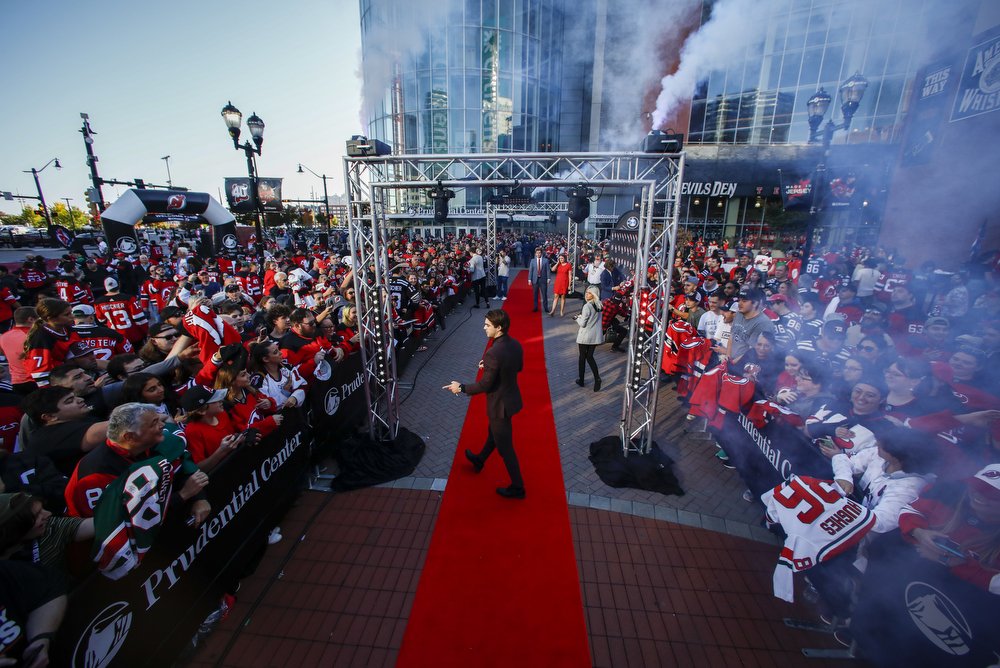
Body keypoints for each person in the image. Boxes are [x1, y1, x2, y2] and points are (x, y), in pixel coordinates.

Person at [444, 309, 526, 499]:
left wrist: (461, 388)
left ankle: (518, 487)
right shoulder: (515, 344)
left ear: (499, 328)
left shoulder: (493, 352)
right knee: (494, 435)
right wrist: (490, 367)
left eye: (488, 325)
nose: (484, 328)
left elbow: (484, 385)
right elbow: (518, 367)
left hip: (499, 406)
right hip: (510, 400)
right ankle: (480, 460)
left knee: (506, 449)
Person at [575, 285, 603, 391]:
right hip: (595, 337)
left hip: (585, 336)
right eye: (586, 292)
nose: (587, 294)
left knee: (582, 357)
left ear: (594, 294)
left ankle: (581, 380)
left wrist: (577, 318)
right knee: (590, 357)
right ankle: (597, 378)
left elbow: (582, 324)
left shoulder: (587, 306)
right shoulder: (599, 305)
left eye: (589, 293)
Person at [527, 248, 550, 313]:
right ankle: (535, 307)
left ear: (541, 253)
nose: (538, 254)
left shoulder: (546, 260)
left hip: (543, 279)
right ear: (535, 254)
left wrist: (548, 278)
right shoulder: (532, 261)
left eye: (539, 253)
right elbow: (530, 270)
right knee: (535, 294)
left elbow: (548, 270)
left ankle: (546, 308)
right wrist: (529, 279)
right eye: (537, 253)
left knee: (544, 295)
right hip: (535, 280)